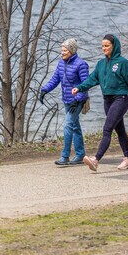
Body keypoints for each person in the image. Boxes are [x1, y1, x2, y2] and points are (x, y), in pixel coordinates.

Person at [71, 34, 128, 172]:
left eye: (107, 46)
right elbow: (92, 79)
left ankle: (96, 160)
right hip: (107, 100)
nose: (104, 48)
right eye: (103, 46)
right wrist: (79, 88)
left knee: (107, 129)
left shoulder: (123, 63)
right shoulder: (101, 64)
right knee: (120, 130)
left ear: (114, 46)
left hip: (120, 99)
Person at [40, 38, 89, 166]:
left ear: (72, 51)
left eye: (65, 50)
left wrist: (78, 99)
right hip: (67, 100)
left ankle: (65, 156)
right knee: (75, 127)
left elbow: (86, 85)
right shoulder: (61, 63)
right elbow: (55, 79)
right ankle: (80, 155)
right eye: (61, 50)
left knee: (68, 125)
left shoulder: (81, 64)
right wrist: (45, 90)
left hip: (77, 101)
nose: (62, 53)